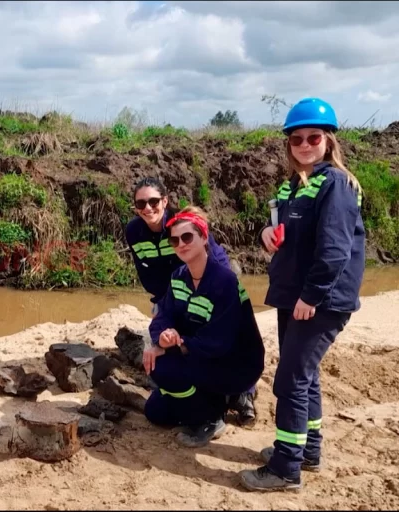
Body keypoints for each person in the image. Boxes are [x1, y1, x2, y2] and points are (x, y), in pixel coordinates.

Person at [239, 98, 365, 491]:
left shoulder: (336, 185)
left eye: (313, 137)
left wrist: (311, 297)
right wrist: (266, 233)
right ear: (289, 144)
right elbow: (283, 230)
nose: (305, 144)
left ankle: (285, 468)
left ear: (329, 141)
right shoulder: (294, 184)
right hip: (293, 295)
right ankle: (307, 450)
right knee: (304, 377)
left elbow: (334, 251)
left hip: (318, 301)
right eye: (297, 139)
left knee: (290, 380)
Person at [125, 176, 258, 425]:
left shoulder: (182, 225)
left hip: (205, 284)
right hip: (177, 287)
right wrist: (166, 307)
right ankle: (197, 389)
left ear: (165, 201)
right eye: (141, 204)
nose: (148, 208)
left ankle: (241, 393)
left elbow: (212, 260)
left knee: (219, 339)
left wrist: (211, 290)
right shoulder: (134, 232)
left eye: (153, 201)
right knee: (160, 390)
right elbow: (146, 272)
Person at [142, 206, 265, 447]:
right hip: (203, 356)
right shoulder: (178, 277)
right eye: (175, 240)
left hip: (235, 364)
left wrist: (174, 346)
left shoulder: (224, 281)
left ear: (204, 238)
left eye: (187, 237)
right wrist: (163, 336)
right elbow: (163, 315)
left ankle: (210, 418)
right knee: (155, 411)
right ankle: (217, 400)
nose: (181, 244)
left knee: (162, 367)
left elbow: (219, 340)